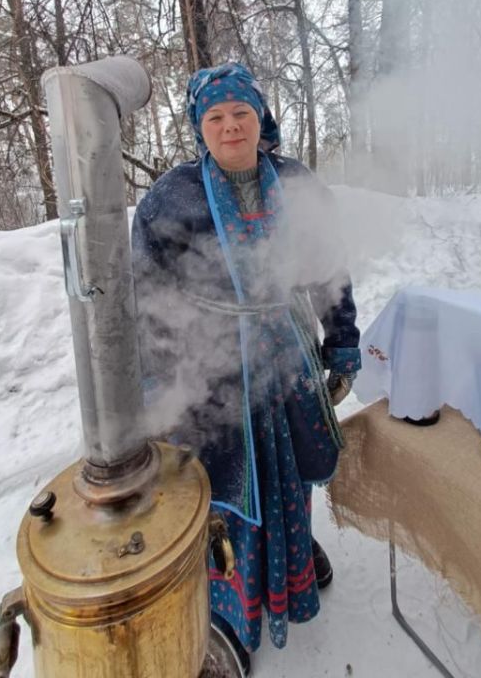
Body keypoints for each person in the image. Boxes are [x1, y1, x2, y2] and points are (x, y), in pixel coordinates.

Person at [132, 63, 360, 674]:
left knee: (291, 465)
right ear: (198, 128)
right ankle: (230, 609)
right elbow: (146, 296)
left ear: (261, 118)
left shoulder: (297, 182)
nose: (230, 126)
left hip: (287, 351)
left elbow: (327, 270)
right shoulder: (169, 198)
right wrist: (157, 384)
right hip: (210, 366)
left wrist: (341, 344)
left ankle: (293, 554)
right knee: (225, 485)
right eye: (215, 117)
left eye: (241, 113)